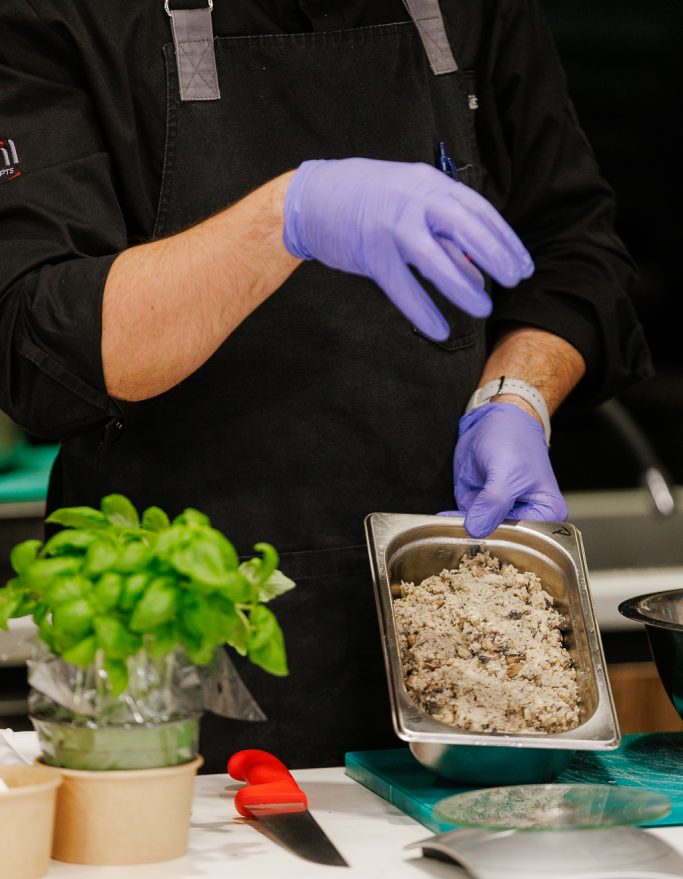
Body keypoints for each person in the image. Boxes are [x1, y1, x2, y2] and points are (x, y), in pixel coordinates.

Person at [0, 0, 651, 770]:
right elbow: (37, 342)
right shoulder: (60, 16)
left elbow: (575, 252)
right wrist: (285, 218)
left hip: (463, 634)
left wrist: (515, 398)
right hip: (179, 645)